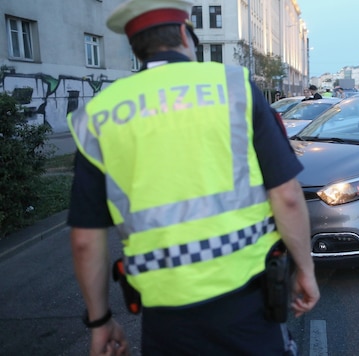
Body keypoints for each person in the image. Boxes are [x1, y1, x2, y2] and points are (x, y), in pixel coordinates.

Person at [66, 0, 320, 354]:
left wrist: (100, 322)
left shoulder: (98, 115)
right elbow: (287, 195)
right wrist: (305, 269)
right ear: (186, 35)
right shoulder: (233, 87)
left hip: (164, 317)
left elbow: (84, 239)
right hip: (248, 303)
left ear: (136, 49)